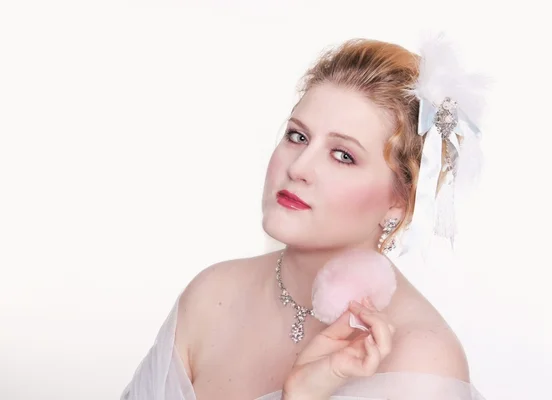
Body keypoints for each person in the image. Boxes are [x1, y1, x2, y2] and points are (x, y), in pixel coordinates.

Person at [120, 36, 488, 399]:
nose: (298, 167)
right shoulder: (211, 295)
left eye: (343, 155)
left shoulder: (422, 361)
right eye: (297, 136)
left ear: (400, 200)